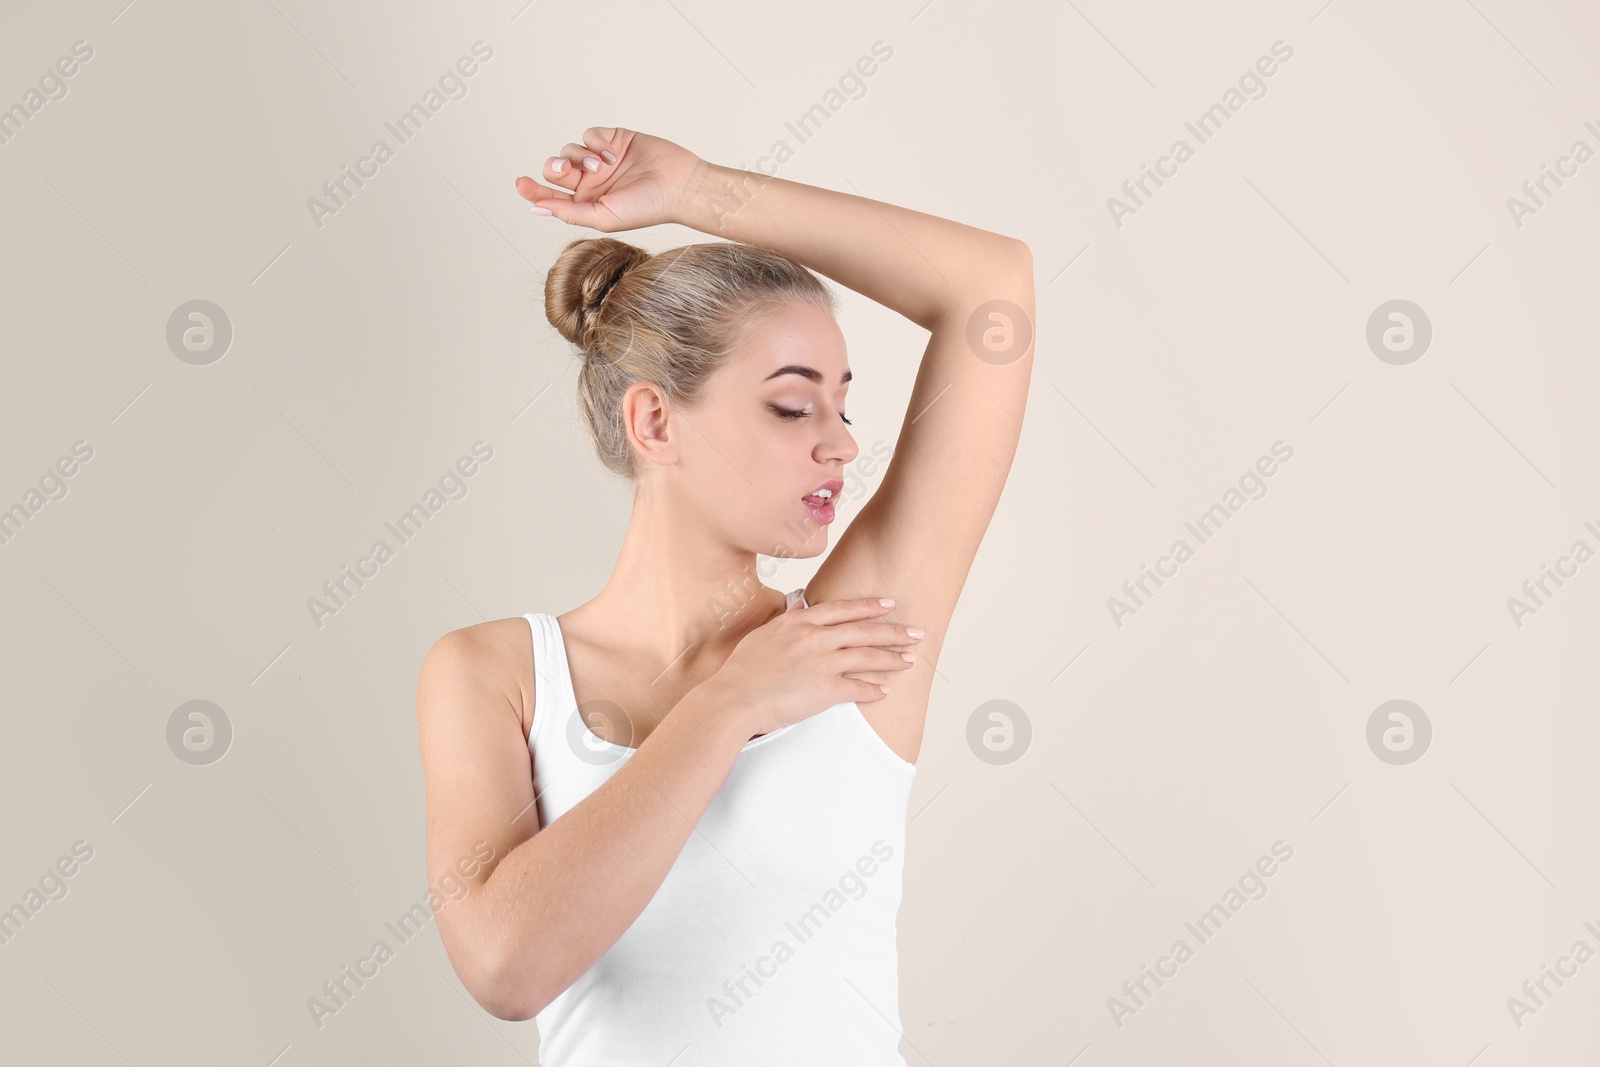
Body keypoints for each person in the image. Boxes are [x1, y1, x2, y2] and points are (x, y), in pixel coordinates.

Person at [415, 126, 1034, 1064]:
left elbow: (993, 291)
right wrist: (729, 704)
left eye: (843, 403)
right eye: (792, 405)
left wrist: (697, 189)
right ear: (655, 419)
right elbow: (507, 965)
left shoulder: (854, 643)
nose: (840, 443)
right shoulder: (495, 674)